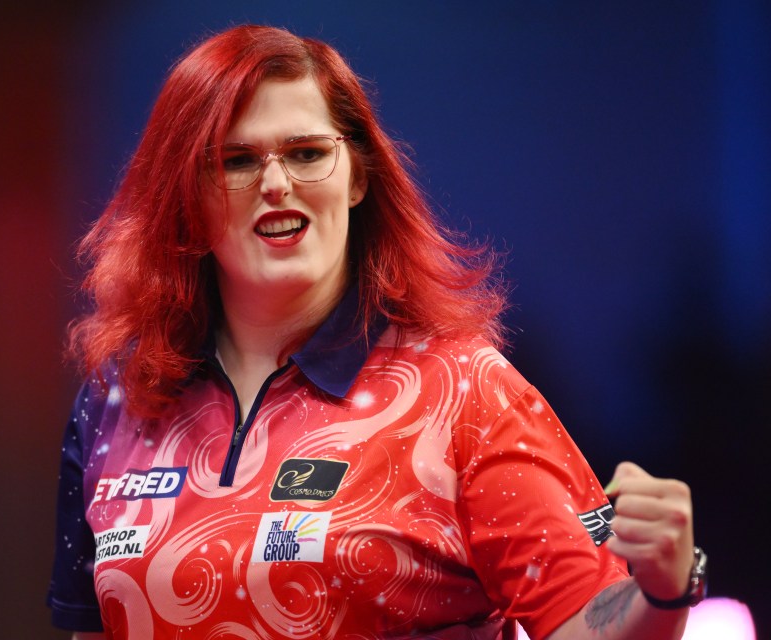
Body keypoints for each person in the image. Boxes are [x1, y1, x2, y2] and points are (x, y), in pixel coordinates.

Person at [48, 24, 704, 640]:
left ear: (358, 176)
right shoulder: (115, 403)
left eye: (306, 152)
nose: (276, 184)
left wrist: (662, 593)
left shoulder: (465, 393)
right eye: (237, 161)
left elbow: (588, 619)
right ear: (187, 195)